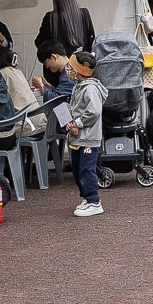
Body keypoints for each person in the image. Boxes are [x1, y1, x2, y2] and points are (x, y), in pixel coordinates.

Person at [62, 50, 105, 217]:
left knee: (87, 169)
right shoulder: (79, 87)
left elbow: (94, 111)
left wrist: (78, 123)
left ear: (79, 70)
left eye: (70, 67)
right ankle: (87, 198)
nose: (68, 70)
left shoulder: (90, 89)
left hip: (88, 137)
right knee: (79, 169)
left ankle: (94, 201)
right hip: (79, 137)